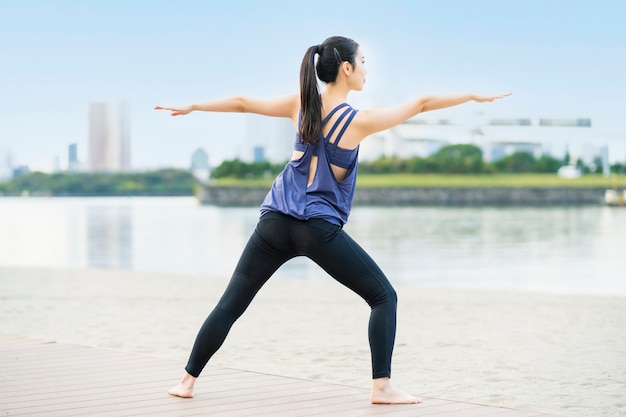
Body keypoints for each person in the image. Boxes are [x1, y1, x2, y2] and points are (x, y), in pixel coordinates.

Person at [155, 35, 510, 404]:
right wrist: (470, 96)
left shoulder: (300, 106)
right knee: (383, 296)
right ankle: (382, 387)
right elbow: (420, 104)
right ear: (346, 69)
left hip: (274, 222)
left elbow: (243, 103)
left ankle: (186, 382)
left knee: (230, 305)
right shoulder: (358, 122)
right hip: (316, 229)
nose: (366, 69)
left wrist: (194, 106)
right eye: (364, 62)